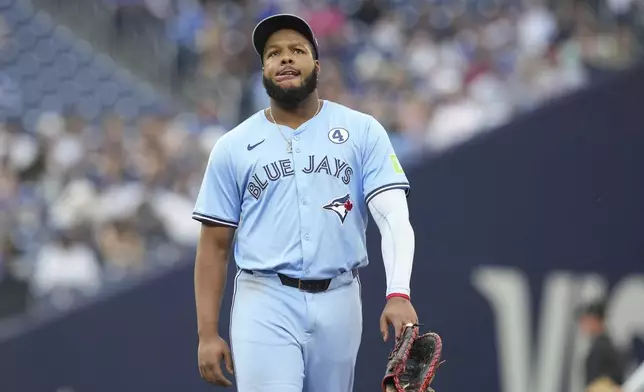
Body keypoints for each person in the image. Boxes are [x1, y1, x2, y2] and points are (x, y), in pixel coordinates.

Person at [191, 13, 419, 392]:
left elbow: (393, 215)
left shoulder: (362, 130)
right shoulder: (232, 146)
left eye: (297, 50)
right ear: (262, 69)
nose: (285, 58)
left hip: (340, 296)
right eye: (273, 53)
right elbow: (214, 246)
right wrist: (206, 333)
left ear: (317, 64)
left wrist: (398, 292)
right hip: (264, 298)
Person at [578, 300, 626, 391]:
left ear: (595, 320)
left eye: (585, 320)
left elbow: (604, 386)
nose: (582, 324)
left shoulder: (602, 349)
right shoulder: (603, 346)